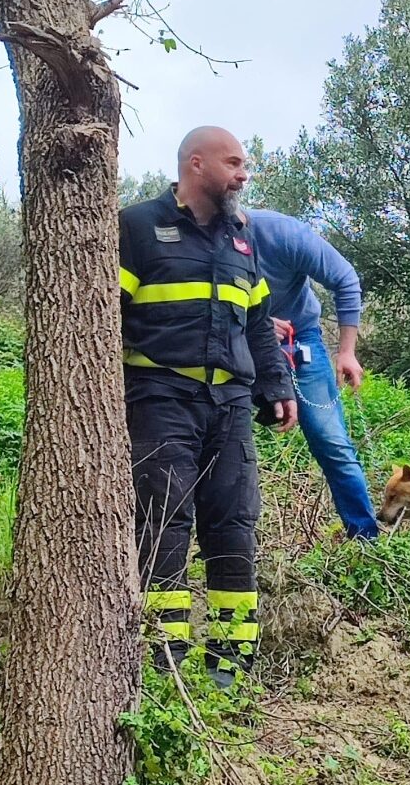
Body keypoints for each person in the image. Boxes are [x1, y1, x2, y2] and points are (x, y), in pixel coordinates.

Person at [118, 126, 298, 688]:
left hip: (230, 406)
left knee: (235, 526)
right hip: (160, 396)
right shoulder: (138, 227)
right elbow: (101, 317)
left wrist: (278, 387)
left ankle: (230, 671)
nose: (245, 174)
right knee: (163, 525)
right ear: (196, 165)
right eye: (235, 163)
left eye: (245, 164)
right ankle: (162, 669)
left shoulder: (241, 241)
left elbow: (259, 329)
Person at [240, 208, 380, 540]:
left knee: (331, 441)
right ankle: (226, 547)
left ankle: (365, 538)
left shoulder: (284, 233)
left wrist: (346, 352)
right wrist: (253, 323)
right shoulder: (199, 241)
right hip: (232, 342)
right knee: (222, 443)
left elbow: (345, 279)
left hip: (299, 340)